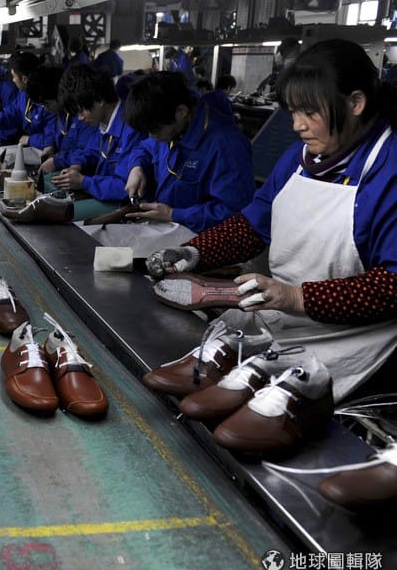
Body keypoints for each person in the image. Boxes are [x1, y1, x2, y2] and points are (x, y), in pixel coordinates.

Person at [146, 39, 397, 400]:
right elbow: (253, 224)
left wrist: (297, 297)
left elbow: (392, 285)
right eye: (292, 112)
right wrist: (194, 252)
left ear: (355, 103)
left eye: (309, 113)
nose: (297, 125)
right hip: (284, 318)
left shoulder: (388, 172)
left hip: (353, 340)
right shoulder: (299, 158)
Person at [121, 71, 255, 235]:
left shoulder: (226, 146)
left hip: (200, 235)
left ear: (181, 112)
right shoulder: (169, 128)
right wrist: (136, 168)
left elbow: (236, 213)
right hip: (165, 225)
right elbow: (145, 148)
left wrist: (175, 214)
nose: (151, 136)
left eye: (155, 130)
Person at [40, 64, 147, 220]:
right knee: (47, 185)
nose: (80, 118)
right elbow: (92, 151)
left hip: (122, 204)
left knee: (59, 214)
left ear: (99, 99)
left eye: (81, 110)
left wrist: (84, 182)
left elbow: (125, 187)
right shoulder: (102, 122)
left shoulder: (131, 128)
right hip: (101, 193)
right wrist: (77, 165)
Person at [0, 52, 56, 151]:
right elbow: (11, 114)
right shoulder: (23, 94)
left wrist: (29, 139)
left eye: (13, 76)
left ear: (24, 79)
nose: (13, 80)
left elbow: (54, 138)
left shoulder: (48, 101)